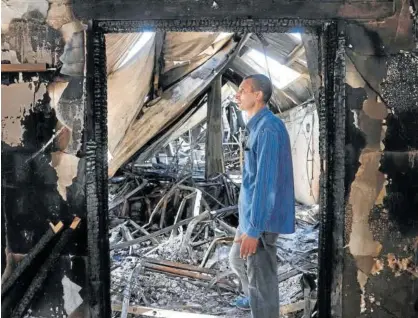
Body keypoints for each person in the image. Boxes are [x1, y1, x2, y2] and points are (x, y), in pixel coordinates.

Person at [229, 74, 295, 318]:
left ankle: (264, 310)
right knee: (236, 259)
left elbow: (266, 185)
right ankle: (252, 298)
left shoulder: (268, 130)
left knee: (262, 280)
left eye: (243, 90)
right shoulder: (256, 126)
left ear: (257, 95)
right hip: (250, 215)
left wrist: (255, 230)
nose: (237, 94)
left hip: (261, 220)